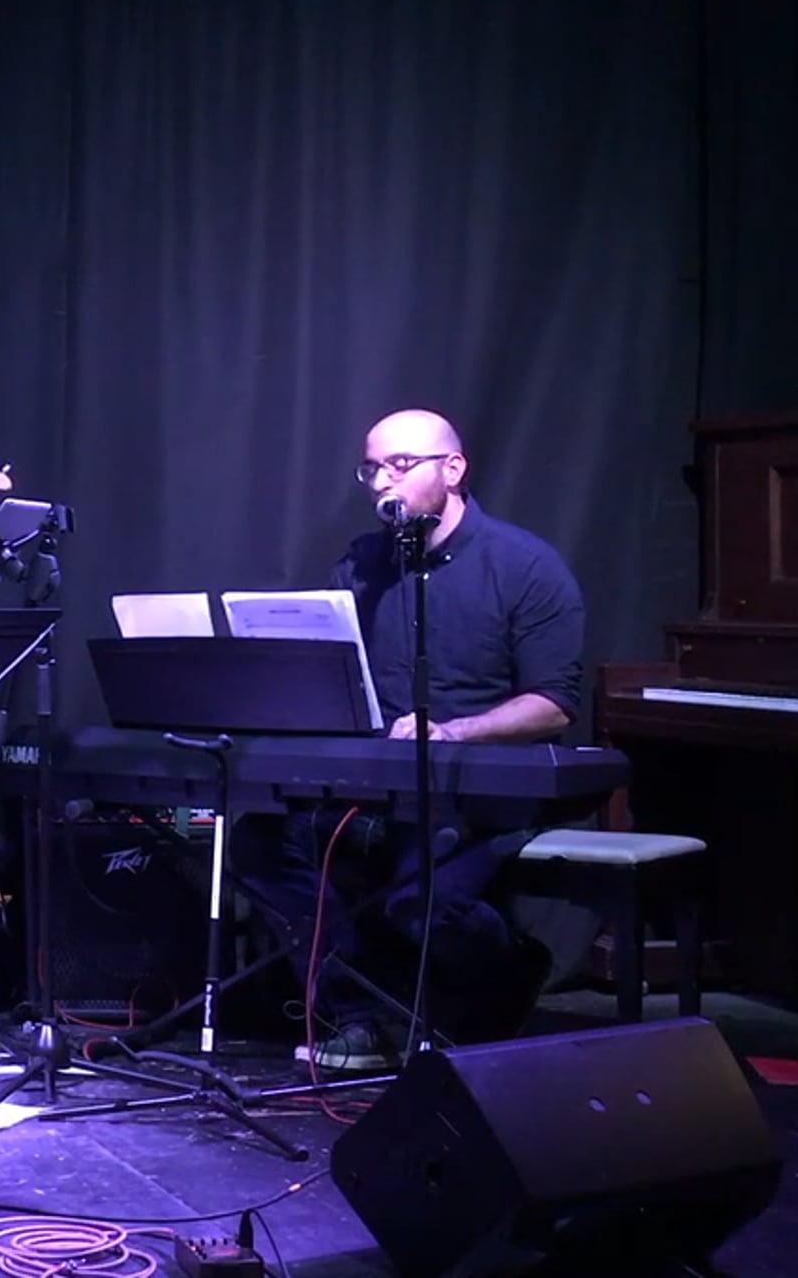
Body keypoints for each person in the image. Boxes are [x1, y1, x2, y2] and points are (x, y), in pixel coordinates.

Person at [230, 408, 585, 1071]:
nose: (381, 482)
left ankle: (512, 967)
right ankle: (356, 1018)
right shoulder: (363, 565)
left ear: (453, 470)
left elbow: (553, 705)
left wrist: (451, 730)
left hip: (480, 789)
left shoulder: (525, 565)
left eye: (399, 465)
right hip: (379, 782)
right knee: (260, 845)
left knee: (424, 901)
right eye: (371, 469)